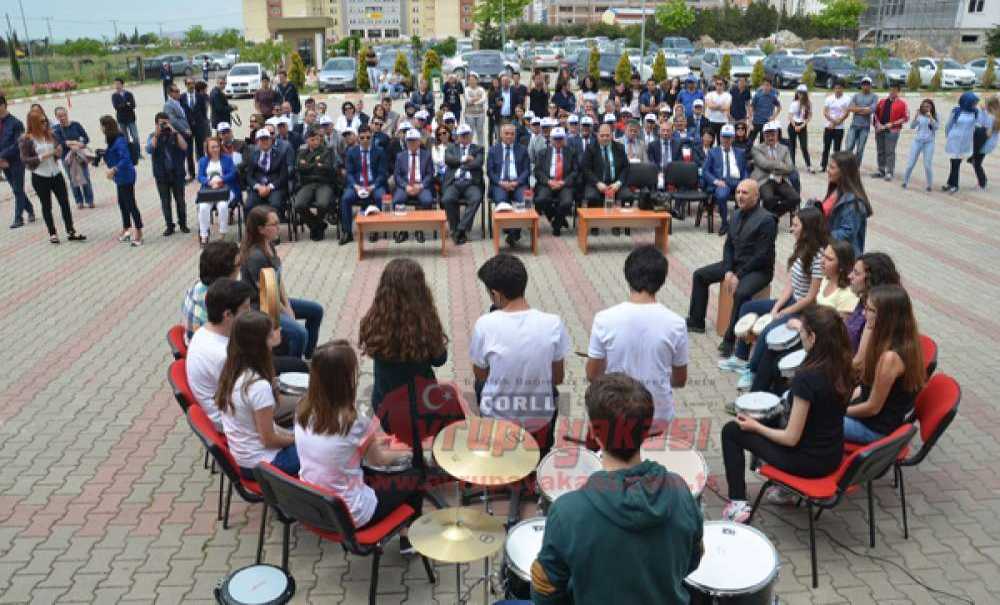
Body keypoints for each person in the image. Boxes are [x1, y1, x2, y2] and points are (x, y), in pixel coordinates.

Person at [531, 373, 703, 605]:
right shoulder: (681, 492)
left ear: (593, 432)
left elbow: (545, 592)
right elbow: (692, 559)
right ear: (648, 429)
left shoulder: (567, 512)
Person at [720, 304, 852, 523]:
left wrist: (756, 427)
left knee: (732, 431)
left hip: (806, 463)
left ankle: (738, 503)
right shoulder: (844, 366)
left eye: (802, 331)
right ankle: (785, 490)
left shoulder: (807, 378)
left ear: (813, 337)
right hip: (831, 456)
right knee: (773, 412)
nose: (799, 335)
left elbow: (791, 439)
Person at [294, 340, 423, 553]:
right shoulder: (353, 422)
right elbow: (379, 460)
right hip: (351, 514)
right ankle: (408, 539)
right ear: (345, 380)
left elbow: (343, 450)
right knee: (414, 475)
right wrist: (407, 451)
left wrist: (371, 442)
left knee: (376, 473)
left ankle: (404, 532)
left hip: (315, 502)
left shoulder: (302, 409)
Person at [719, 206, 827, 387]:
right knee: (747, 307)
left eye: (796, 225)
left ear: (808, 229)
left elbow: (810, 297)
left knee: (768, 330)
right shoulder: (801, 248)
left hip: (804, 309)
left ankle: (752, 371)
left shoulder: (818, 257)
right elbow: (790, 286)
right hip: (792, 302)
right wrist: (777, 307)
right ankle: (740, 357)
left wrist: (785, 312)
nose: (791, 229)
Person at [471, 254, 570, 450]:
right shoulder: (553, 323)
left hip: (499, 423)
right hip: (539, 422)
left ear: (496, 294)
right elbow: (557, 378)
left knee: (478, 385)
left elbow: (481, 374)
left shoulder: (485, 325)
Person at [586, 245, 689, 425]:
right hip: (659, 417)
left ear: (627, 275)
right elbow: (680, 380)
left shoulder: (604, 319)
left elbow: (593, 374)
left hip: (615, 415)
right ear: (662, 280)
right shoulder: (676, 323)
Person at [686, 179, 777, 354]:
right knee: (700, 275)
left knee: (741, 292)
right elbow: (728, 246)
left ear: (756, 196)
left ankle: (730, 339)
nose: (740, 196)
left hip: (758, 269)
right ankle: (696, 321)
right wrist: (728, 270)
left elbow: (762, 255)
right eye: (737, 192)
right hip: (735, 264)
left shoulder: (767, 220)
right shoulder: (735, 214)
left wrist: (739, 274)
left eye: (745, 193)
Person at [216, 311, 299, 479]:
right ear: (258, 345)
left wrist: (294, 435)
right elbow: (268, 440)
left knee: (311, 433)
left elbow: (268, 430)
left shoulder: (232, 371)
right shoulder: (258, 386)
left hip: (246, 457)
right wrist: (297, 440)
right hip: (264, 465)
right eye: (269, 336)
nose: (273, 339)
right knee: (327, 449)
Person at [359, 259, 449, 411]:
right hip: (422, 406)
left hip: (385, 405)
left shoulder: (374, 321)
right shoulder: (426, 324)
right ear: (420, 290)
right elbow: (439, 360)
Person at [844, 284, 925, 444]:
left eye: (870, 310)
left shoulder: (890, 358)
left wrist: (839, 411)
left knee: (816, 420)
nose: (863, 313)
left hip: (875, 429)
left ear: (888, 317)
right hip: (870, 418)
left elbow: (872, 408)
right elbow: (865, 388)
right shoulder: (897, 339)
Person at [240, 205, 324, 358]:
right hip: (262, 308)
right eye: (274, 225)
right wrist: (286, 311)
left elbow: (278, 281)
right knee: (299, 333)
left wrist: (288, 306)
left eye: (278, 223)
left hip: (274, 300)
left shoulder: (269, 245)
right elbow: (267, 296)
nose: (278, 228)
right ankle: (292, 367)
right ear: (261, 229)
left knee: (316, 310)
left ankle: (310, 356)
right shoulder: (256, 256)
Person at [187, 278, 256, 429]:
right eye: (246, 308)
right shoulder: (222, 356)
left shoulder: (205, 330)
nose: (250, 313)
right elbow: (251, 396)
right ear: (227, 315)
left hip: (224, 407)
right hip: (229, 421)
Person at [19, 109, 84, 245]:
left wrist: (58, 153)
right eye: (42, 121)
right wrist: (43, 156)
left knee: (65, 203)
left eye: (46, 121)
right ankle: (52, 233)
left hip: (56, 173)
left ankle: (71, 230)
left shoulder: (51, 135)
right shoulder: (26, 139)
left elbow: (58, 150)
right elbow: (24, 159)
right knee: (46, 206)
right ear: (34, 123)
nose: (45, 123)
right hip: (40, 176)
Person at [339, 125, 388, 246]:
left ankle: (374, 230)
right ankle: (347, 232)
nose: (365, 140)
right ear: (358, 138)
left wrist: (373, 186)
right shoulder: (351, 152)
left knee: (379, 197)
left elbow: (383, 174)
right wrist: (355, 186)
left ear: (371, 137)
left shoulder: (379, 152)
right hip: (357, 185)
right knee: (345, 199)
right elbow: (349, 173)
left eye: (368, 137)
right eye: (362, 138)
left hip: (374, 184)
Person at [183, 240, 240, 342]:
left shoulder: (197, 287)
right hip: (210, 350)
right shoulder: (219, 301)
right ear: (225, 271)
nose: (240, 267)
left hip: (193, 342)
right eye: (238, 264)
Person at [817, 151, 872, 256]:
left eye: (832, 168)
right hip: (830, 252)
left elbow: (847, 233)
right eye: (828, 166)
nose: (828, 170)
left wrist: (821, 236)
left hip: (843, 259)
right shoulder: (836, 190)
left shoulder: (854, 202)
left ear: (844, 171)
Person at [486, 123, 531, 248]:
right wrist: (501, 183)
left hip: (518, 183)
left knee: (525, 201)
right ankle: (509, 229)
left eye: (512, 134)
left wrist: (516, 182)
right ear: (501, 135)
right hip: (500, 184)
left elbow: (527, 171)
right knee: (501, 201)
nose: (509, 136)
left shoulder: (522, 150)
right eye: (507, 133)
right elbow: (489, 171)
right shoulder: (493, 150)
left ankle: (514, 233)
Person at [100, 116, 141, 246]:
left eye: (101, 125)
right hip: (119, 178)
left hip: (126, 176)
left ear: (107, 126)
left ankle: (139, 231)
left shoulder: (119, 140)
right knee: (122, 203)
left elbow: (126, 158)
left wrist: (114, 170)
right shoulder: (111, 140)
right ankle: (126, 228)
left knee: (130, 204)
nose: (100, 128)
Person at [147, 112, 190, 237]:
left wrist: (174, 131)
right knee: (165, 201)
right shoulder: (152, 136)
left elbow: (185, 146)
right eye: (162, 123)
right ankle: (169, 226)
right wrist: (157, 133)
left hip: (177, 173)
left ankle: (183, 223)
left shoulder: (175, 134)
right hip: (161, 174)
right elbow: (150, 148)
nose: (164, 125)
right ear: (156, 124)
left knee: (180, 200)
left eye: (166, 122)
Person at [702, 124, 748, 237]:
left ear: (733, 138)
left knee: (749, 194)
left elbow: (744, 170)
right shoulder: (713, 152)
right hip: (722, 182)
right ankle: (724, 223)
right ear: (720, 137)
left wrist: (745, 182)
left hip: (737, 181)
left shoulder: (740, 152)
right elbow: (705, 171)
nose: (726, 140)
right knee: (722, 196)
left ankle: (739, 223)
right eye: (724, 137)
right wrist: (715, 181)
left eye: (729, 137)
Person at [292, 127, 337, 242]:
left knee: (322, 204)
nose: (315, 142)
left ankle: (316, 228)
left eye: (317, 139)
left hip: (324, 183)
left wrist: (308, 165)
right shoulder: (302, 152)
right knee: (299, 205)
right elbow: (299, 168)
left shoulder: (327, 151)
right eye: (312, 140)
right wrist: (316, 164)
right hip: (307, 184)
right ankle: (317, 225)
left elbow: (329, 168)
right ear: (307, 140)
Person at [442, 123, 484, 245]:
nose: (465, 138)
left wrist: (458, 164)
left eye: (467, 135)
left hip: (471, 183)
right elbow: (448, 160)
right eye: (462, 135)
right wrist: (463, 159)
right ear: (457, 137)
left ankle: (460, 229)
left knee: (476, 198)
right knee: (447, 199)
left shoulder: (478, 149)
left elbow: (478, 163)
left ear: (471, 136)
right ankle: (456, 229)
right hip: (454, 183)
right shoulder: (451, 148)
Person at [392, 129, 434, 244]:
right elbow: (397, 176)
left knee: (427, 200)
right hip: (406, 185)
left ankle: (419, 229)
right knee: (397, 200)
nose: (411, 143)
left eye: (414, 141)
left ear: (419, 141)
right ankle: (402, 230)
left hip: (421, 185)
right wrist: (406, 186)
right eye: (409, 141)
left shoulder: (427, 155)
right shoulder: (400, 156)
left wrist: (420, 186)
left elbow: (430, 175)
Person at [534, 127, 578, 237]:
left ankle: (557, 224)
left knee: (567, 202)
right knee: (540, 200)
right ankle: (556, 218)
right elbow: (538, 171)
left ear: (564, 139)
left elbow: (575, 171)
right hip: (548, 183)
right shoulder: (543, 153)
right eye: (555, 138)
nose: (558, 141)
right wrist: (549, 181)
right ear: (550, 139)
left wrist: (564, 182)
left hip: (564, 184)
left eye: (560, 138)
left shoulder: (571, 152)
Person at [0, 95, 36, 229]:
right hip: (3, 163)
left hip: (16, 161)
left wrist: (2, 156)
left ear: (3, 105)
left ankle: (18, 218)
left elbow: (18, 144)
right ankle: (30, 209)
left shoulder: (16, 123)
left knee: (17, 189)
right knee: (16, 189)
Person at [196, 137, 239, 244]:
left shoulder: (227, 159)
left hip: (225, 189)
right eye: (213, 147)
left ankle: (222, 234)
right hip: (209, 190)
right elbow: (200, 176)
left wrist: (221, 180)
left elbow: (232, 173)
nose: (216, 149)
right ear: (208, 149)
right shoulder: (203, 161)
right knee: (203, 207)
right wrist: (209, 182)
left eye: (217, 146)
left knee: (223, 206)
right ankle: (204, 235)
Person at [751, 122, 799, 217]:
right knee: (768, 199)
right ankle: (769, 218)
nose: (770, 138)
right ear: (764, 135)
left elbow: (790, 167)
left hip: (781, 179)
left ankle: (774, 215)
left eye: (773, 135)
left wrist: (772, 165)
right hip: (764, 180)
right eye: (767, 135)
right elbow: (763, 164)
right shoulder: (757, 149)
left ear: (777, 134)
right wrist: (780, 164)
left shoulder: (784, 149)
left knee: (795, 198)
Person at [52, 106, 95, 209]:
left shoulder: (76, 125)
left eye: (64, 115)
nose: (62, 117)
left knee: (85, 177)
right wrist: (73, 142)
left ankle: (89, 200)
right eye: (60, 116)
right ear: (56, 117)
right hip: (67, 158)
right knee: (72, 179)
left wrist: (79, 144)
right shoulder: (56, 129)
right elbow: (60, 143)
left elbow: (86, 138)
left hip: (80, 155)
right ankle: (79, 201)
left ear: (67, 114)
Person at [582, 123, 631, 212]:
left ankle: (619, 224)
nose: (605, 138)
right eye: (602, 135)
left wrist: (618, 183)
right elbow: (586, 169)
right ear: (597, 135)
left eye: (607, 135)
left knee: (627, 196)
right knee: (591, 197)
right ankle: (595, 225)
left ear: (612, 135)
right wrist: (597, 183)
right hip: (597, 183)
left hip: (615, 183)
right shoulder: (590, 148)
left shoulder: (620, 147)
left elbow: (626, 167)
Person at [943, 92, 981, 194]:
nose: (975, 104)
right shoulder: (956, 111)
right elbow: (948, 124)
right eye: (973, 102)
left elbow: (979, 123)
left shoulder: (975, 112)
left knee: (956, 163)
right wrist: (948, 136)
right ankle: (952, 184)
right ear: (967, 101)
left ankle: (952, 184)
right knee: (954, 162)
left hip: (965, 141)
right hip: (954, 140)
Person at [245, 129, 290, 213]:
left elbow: (284, 176)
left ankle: (273, 225)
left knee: (276, 205)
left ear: (271, 140)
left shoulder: (280, 155)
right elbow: (249, 176)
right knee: (248, 206)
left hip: (275, 188)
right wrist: (258, 186)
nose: (264, 142)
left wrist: (269, 187)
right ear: (257, 142)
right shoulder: (253, 155)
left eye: (266, 139)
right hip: (258, 188)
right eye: (261, 140)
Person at [899, 99, 938, 191]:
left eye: (928, 106)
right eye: (924, 106)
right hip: (917, 141)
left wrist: (931, 118)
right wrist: (916, 117)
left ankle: (929, 185)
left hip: (929, 142)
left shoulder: (935, 116)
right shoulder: (919, 115)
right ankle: (905, 181)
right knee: (910, 163)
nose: (926, 108)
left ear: (932, 107)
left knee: (927, 165)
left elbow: (935, 127)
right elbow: (912, 126)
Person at [872, 84, 908, 181]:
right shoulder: (882, 102)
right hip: (880, 129)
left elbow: (905, 118)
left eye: (895, 90)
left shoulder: (902, 104)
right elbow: (875, 114)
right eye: (891, 89)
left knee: (890, 152)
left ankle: (889, 172)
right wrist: (876, 125)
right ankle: (881, 170)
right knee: (880, 151)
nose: (892, 92)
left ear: (898, 91)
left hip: (892, 130)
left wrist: (892, 124)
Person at [844, 77, 878, 166]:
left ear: (870, 85)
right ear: (861, 85)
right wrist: (864, 108)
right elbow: (850, 108)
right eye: (864, 84)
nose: (865, 86)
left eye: (867, 84)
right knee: (849, 147)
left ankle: (856, 167)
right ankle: (847, 166)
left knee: (860, 149)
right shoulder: (856, 96)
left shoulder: (874, 97)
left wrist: (858, 109)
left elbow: (871, 110)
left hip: (865, 127)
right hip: (854, 125)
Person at [163, 85, 194, 180]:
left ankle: (191, 173)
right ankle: (181, 175)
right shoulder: (168, 105)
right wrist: (184, 130)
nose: (178, 93)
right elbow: (173, 120)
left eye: (179, 91)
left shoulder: (179, 102)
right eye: (176, 91)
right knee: (181, 156)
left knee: (189, 154)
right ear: (170, 93)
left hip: (188, 132)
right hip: (180, 134)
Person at [969, 94, 998, 191]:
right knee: (976, 162)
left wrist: (982, 112)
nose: (984, 105)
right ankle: (982, 181)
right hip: (986, 143)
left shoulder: (994, 118)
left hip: (985, 143)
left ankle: (982, 183)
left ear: (991, 106)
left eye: (986, 104)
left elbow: (982, 125)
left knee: (976, 163)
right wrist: (982, 111)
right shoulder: (993, 115)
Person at [821, 81, 850, 172]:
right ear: (834, 89)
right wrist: (832, 121)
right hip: (828, 126)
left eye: (840, 88)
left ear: (843, 89)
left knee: (837, 149)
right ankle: (823, 165)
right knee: (826, 147)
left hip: (839, 127)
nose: (838, 90)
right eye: (836, 88)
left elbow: (846, 113)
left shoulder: (847, 99)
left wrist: (837, 122)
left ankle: (836, 167)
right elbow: (825, 112)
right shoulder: (829, 98)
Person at [787, 84, 812, 172]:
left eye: (802, 93)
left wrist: (801, 126)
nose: (800, 95)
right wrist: (795, 126)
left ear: (805, 94)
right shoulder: (794, 103)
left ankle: (809, 165)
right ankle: (792, 164)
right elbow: (790, 116)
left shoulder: (808, 104)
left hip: (802, 126)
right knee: (792, 146)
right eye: (798, 93)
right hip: (793, 126)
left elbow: (809, 117)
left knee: (804, 146)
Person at [111, 78, 140, 150]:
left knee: (135, 136)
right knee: (125, 138)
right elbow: (116, 107)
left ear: (122, 84)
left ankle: (138, 153)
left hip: (130, 118)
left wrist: (124, 105)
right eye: (115, 84)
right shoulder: (114, 96)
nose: (117, 86)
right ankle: (129, 153)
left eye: (118, 84)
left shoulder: (129, 94)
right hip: (121, 119)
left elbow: (133, 105)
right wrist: (126, 104)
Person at [748, 78, 780, 143]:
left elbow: (779, 107)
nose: (766, 87)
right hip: (756, 122)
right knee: (749, 142)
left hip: (766, 124)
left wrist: (773, 117)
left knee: (763, 144)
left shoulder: (773, 96)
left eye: (768, 85)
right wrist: (750, 122)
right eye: (764, 85)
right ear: (762, 86)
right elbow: (751, 107)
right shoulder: (757, 95)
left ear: (771, 87)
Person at [704, 76, 731, 142]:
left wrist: (715, 105)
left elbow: (726, 107)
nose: (719, 85)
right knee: (709, 141)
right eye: (717, 84)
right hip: (711, 120)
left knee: (721, 141)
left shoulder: (728, 95)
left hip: (723, 121)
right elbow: (710, 106)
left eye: (721, 84)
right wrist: (721, 105)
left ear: (724, 85)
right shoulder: (709, 94)